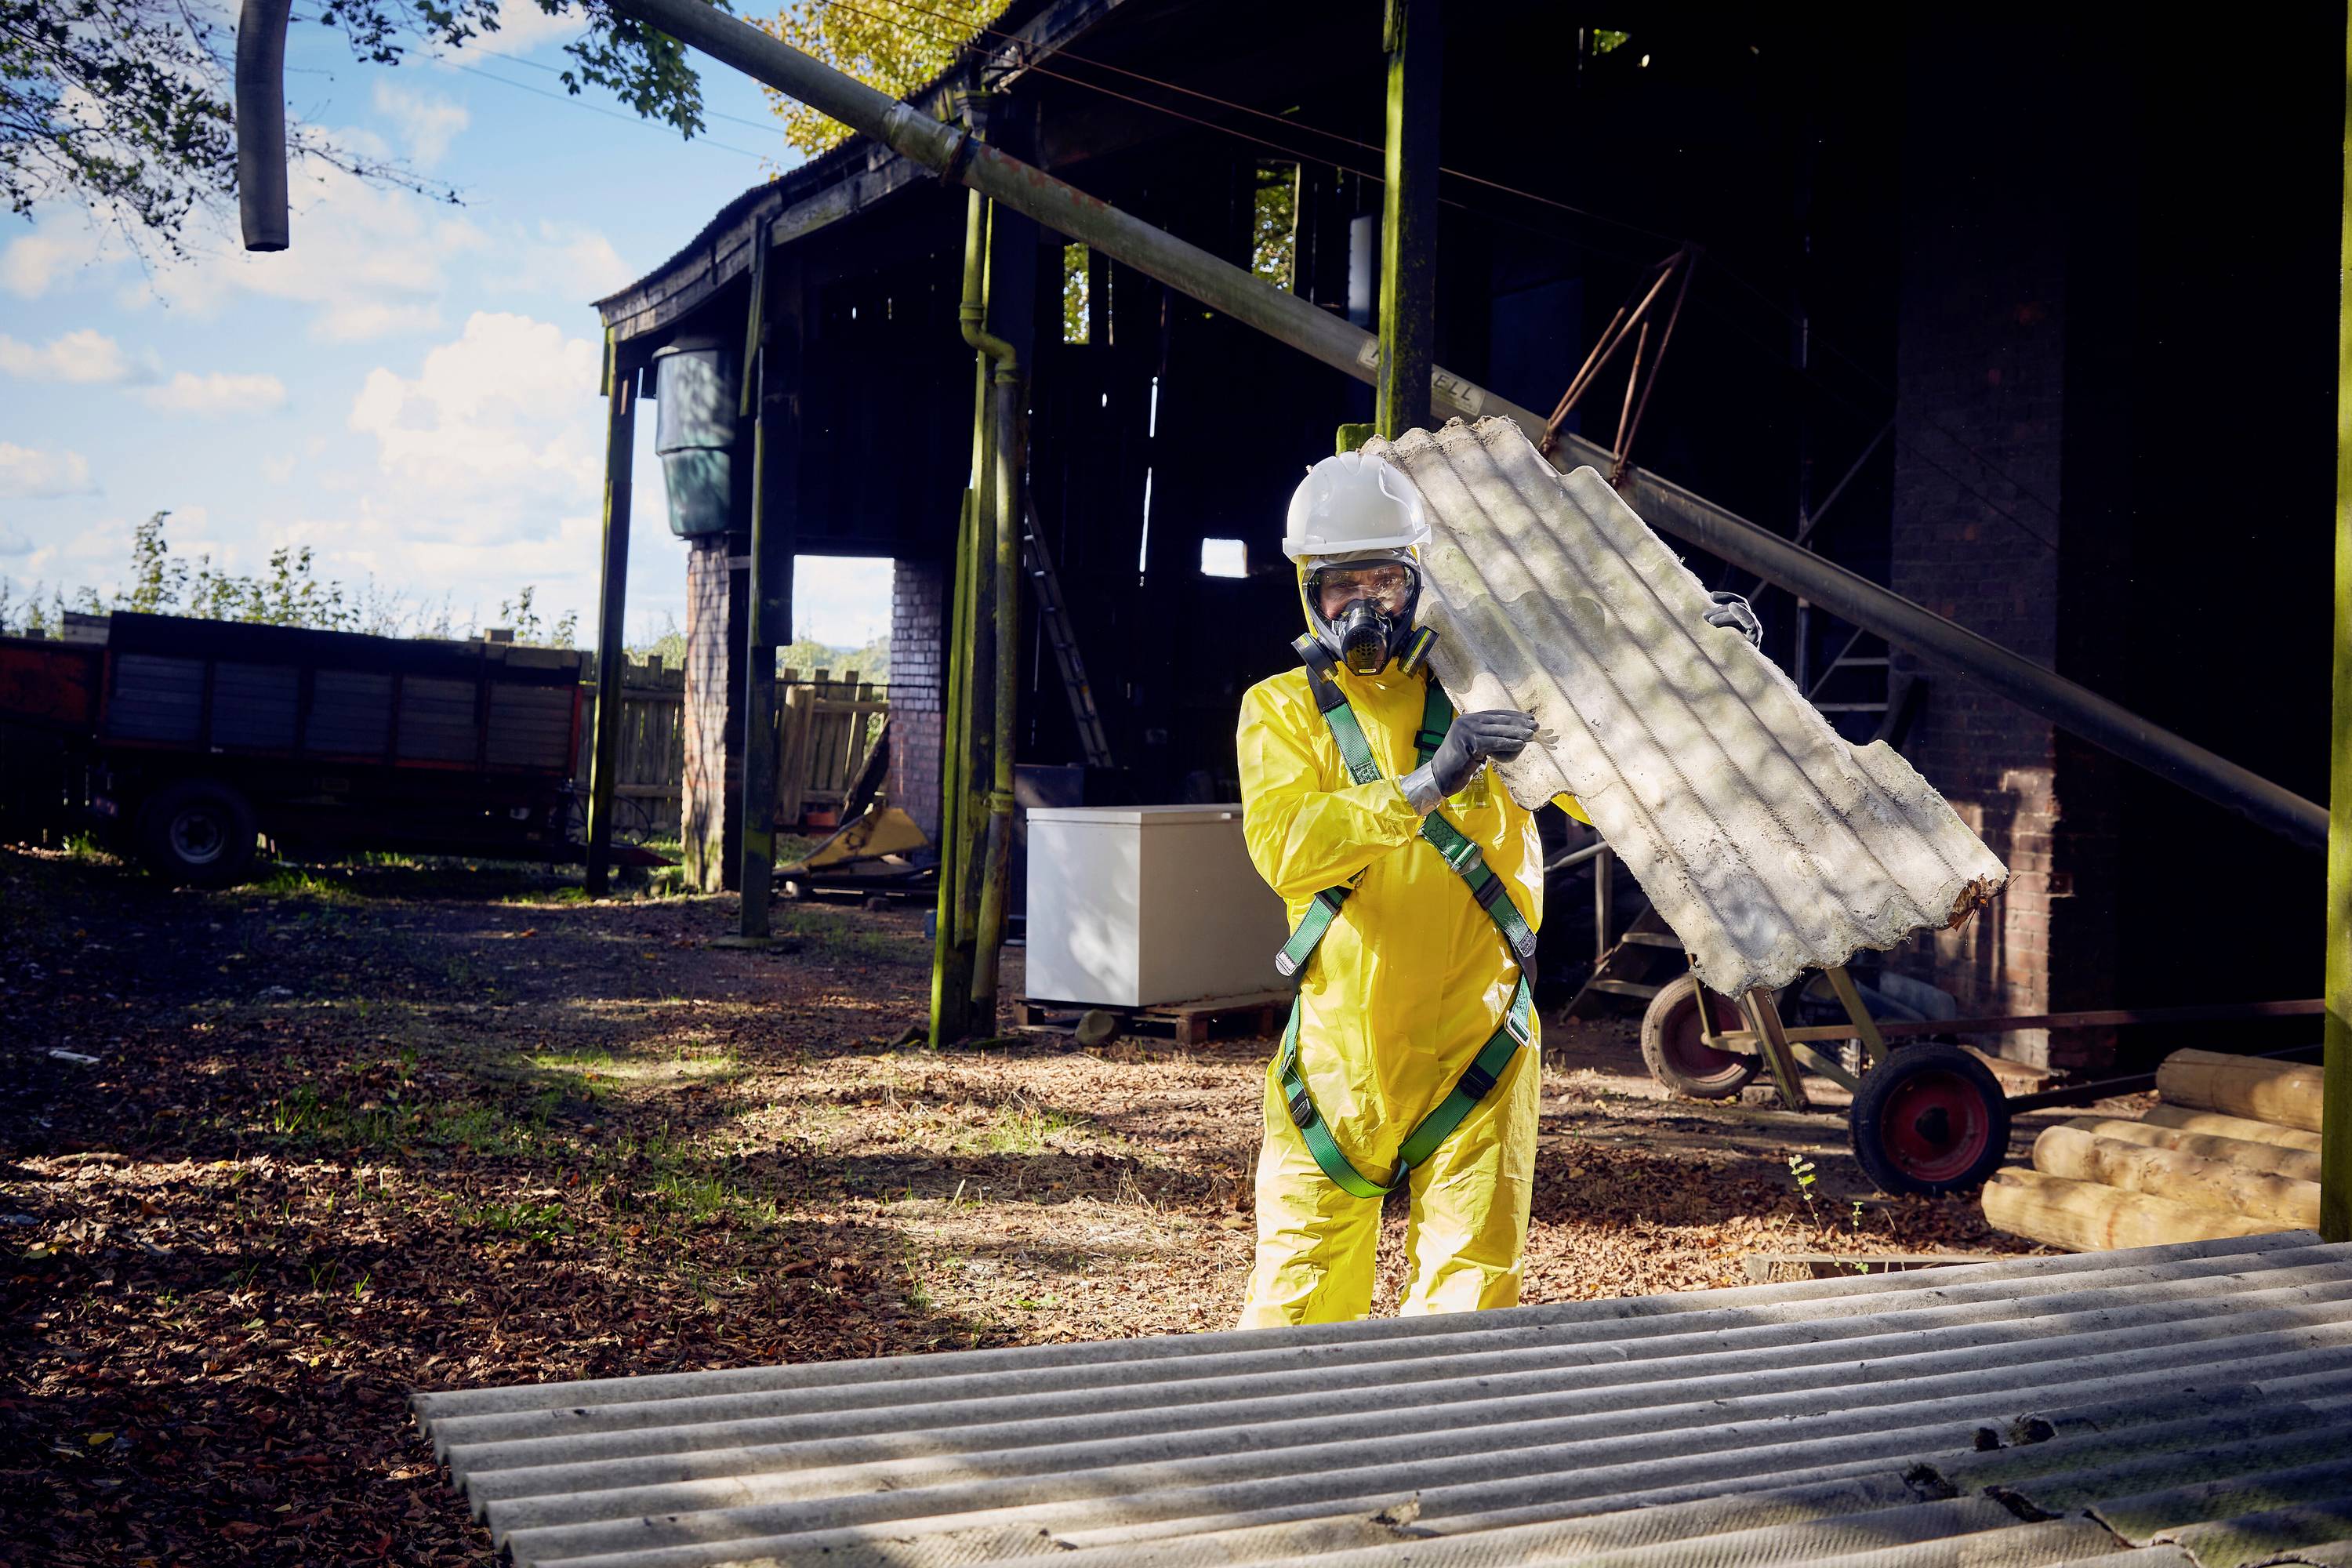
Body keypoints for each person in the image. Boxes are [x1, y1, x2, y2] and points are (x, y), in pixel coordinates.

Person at [1233, 448, 1759, 1327]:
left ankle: (1442, 1460)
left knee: (1473, 1300)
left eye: (1384, 580)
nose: (1364, 606)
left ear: (1414, 582)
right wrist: (1428, 780)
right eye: (1340, 585)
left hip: (1484, 1043)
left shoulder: (1490, 698)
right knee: (1298, 1299)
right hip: (1343, 1058)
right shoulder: (1283, 709)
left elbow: (1625, 780)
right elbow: (1288, 846)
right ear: (1307, 591)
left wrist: (1711, 681)